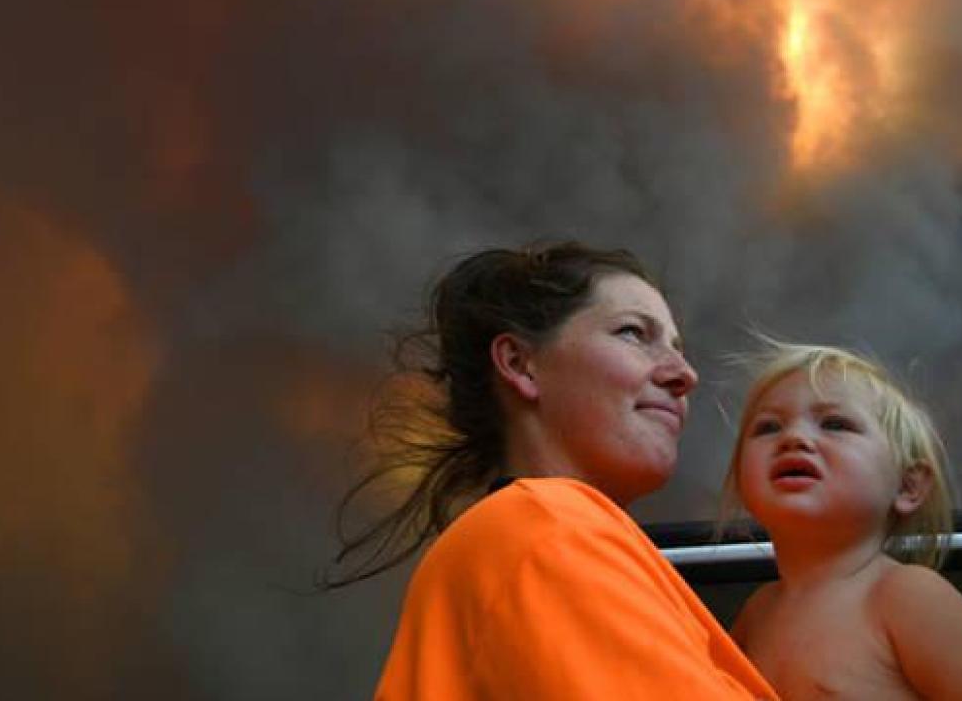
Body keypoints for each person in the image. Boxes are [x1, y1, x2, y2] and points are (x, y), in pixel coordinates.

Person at [329, 241, 775, 700]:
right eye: (632, 333)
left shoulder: (528, 533)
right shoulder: (546, 527)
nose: (684, 374)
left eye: (677, 347)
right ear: (520, 364)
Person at [724, 339, 962, 700]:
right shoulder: (758, 612)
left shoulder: (908, 596)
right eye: (768, 427)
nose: (793, 437)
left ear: (908, 486)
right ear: (741, 481)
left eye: (834, 423)